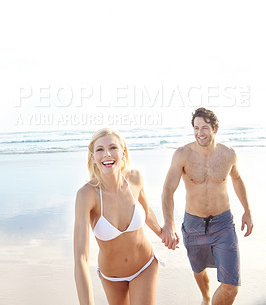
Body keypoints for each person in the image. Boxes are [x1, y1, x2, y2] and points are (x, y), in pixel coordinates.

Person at [161, 107, 253, 305]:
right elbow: (168, 189)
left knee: (231, 288)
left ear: (215, 129)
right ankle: (205, 297)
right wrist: (169, 223)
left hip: (223, 224)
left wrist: (247, 210)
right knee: (199, 270)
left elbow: (237, 180)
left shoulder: (228, 154)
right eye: (196, 128)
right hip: (193, 224)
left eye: (204, 128)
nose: (199, 133)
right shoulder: (182, 155)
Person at [74, 127, 167, 305]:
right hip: (112, 277)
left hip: (144, 266)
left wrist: (162, 233)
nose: (107, 154)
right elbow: (81, 258)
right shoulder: (87, 195)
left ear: (123, 153)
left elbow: (146, 212)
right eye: (100, 149)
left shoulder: (135, 178)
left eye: (113, 148)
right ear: (93, 157)